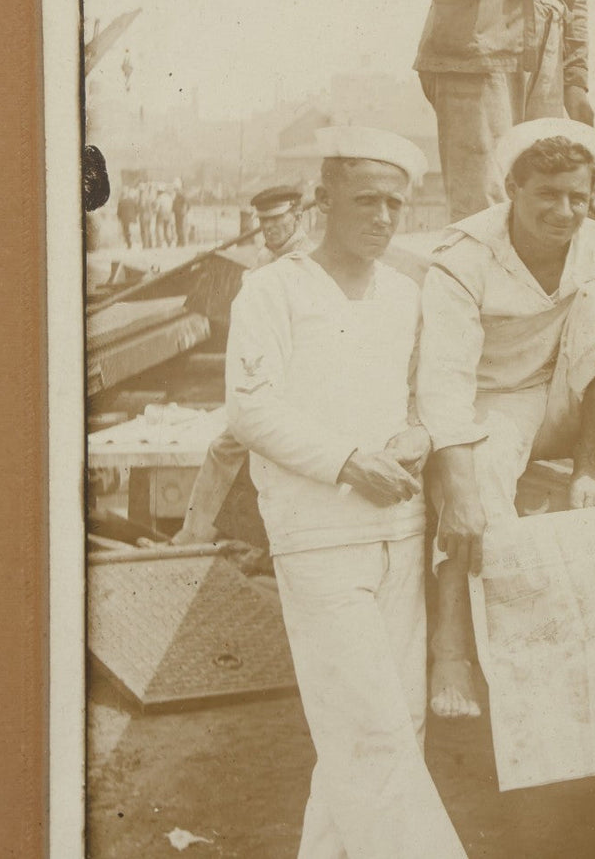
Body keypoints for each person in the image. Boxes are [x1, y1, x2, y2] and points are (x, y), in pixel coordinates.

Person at [225, 126, 466, 859]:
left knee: (380, 731)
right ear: (323, 200)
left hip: (399, 531)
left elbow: (430, 402)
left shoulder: (405, 294)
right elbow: (251, 408)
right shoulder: (269, 290)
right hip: (318, 535)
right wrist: (347, 460)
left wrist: (414, 440)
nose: (383, 218)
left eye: (396, 204)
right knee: (371, 729)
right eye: (366, 201)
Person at [416, 118, 595, 719]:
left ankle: (589, 469)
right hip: (493, 401)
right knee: (480, 476)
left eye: (577, 195)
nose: (564, 211)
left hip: (576, 402)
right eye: (547, 194)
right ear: (511, 188)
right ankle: (454, 647)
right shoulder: (463, 256)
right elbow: (444, 383)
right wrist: (458, 491)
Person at [414, 0, 595, 222]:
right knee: (484, 210)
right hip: (480, 47)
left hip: (549, 48)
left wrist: (575, 75)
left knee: (542, 206)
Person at [172, 184, 318, 547]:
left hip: (295, 382)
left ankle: (193, 538)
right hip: (267, 379)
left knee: (228, 450)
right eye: (264, 221)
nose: (269, 228)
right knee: (235, 451)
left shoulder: (306, 262)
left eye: (277, 220)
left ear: (297, 218)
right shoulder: (265, 260)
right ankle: (203, 537)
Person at [250, 183, 313, 269]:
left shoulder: (308, 259)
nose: (267, 225)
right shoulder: (265, 256)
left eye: (275, 218)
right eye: (263, 219)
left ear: (298, 217)